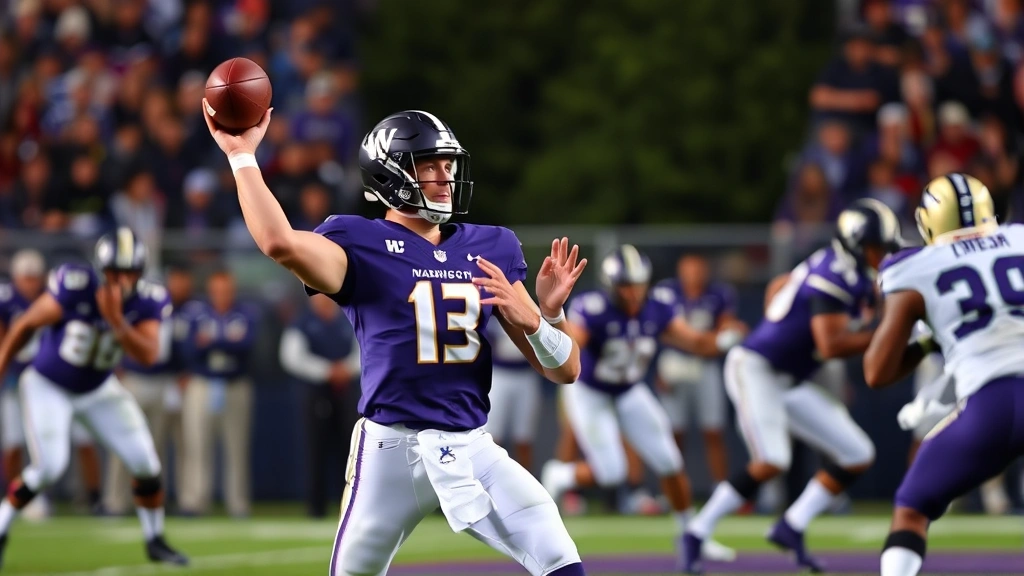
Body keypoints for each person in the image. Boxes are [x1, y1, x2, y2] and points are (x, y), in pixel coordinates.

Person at [204, 105, 589, 576]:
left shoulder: (494, 247)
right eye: (429, 164)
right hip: (390, 449)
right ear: (391, 174)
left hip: (471, 446)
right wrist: (242, 155)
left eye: (447, 164)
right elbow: (279, 242)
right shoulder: (357, 240)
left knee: (560, 558)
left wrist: (544, 316)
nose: (444, 176)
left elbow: (565, 370)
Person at [684, 199, 905, 574]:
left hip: (788, 379)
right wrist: (889, 332)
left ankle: (792, 525)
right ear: (856, 244)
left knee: (856, 452)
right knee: (772, 459)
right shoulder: (835, 275)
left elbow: (781, 284)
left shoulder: (852, 271)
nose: (882, 255)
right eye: (877, 246)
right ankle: (695, 532)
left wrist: (779, 309)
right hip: (756, 368)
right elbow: (830, 345)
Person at [540, 244, 744, 564]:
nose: (633, 293)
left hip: (629, 390)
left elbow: (694, 342)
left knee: (669, 461)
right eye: (625, 286)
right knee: (611, 472)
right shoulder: (593, 309)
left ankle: (690, 534)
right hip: (590, 391)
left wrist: (723, 340)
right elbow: (567, 345)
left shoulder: (659, 307)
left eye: (638, 285)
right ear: (612, 287)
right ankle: (560, 476)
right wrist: (552, 318)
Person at [865, 173, 1024, 576]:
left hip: (995, 401)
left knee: (912, 509)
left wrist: (926, 342)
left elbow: (877, 371)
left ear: (926, 221)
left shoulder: (915, 267)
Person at [0, 227, 187, 567]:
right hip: (48, 384)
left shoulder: (150, 299)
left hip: (98, 388)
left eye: (129, 271)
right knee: (49, 467)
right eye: (114, 271)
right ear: (100, 270)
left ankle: (154, 539)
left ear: (141, 272)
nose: (122, 280)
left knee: (146, 462)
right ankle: (1, 526)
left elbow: (148, 355)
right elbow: (24, 325)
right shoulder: (75, 285)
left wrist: (118, 323)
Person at [654, 253, 746, 485]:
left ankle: (721, 489)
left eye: (698, 270)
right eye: (689, 270)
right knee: (673, 434)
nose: (694, 275)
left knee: (713, 431)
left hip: (705, 367)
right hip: (673, 365)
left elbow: (730, 330)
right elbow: (660, 332)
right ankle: (672, 493)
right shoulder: (666, 293)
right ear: (680, 271)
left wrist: (707, 344)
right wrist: (703, 343)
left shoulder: (719, 294)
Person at [279, 293, 360, 518]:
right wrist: (327, 371)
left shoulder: (349, 318)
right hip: (314, 393)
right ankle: (316, 507)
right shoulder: (301, 323)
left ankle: (352, 505)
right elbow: (291, 357)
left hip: (347, 393)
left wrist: (346, 369)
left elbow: (365, 350)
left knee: (351, 449)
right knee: (315, 450)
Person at [483, 315, 541, 470]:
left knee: (524, 439)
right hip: (498, 375)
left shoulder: (527, 309)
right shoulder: (491, 312)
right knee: (492, 438)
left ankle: (525, 490)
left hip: (526, 375)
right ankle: (488, 488)